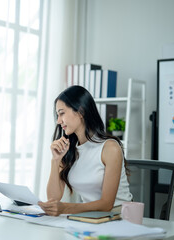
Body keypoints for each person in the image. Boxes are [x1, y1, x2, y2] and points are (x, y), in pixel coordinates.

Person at [38, 85, 132, 216]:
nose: (58, 121)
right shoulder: (69, 149)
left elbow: (106, 204)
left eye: (62, 113)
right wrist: (55, 160)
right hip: (90, 218)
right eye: (57, 115)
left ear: (80, 112)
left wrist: (64, 208)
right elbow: (53, 199)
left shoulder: (110, 148)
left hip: (118, 216)